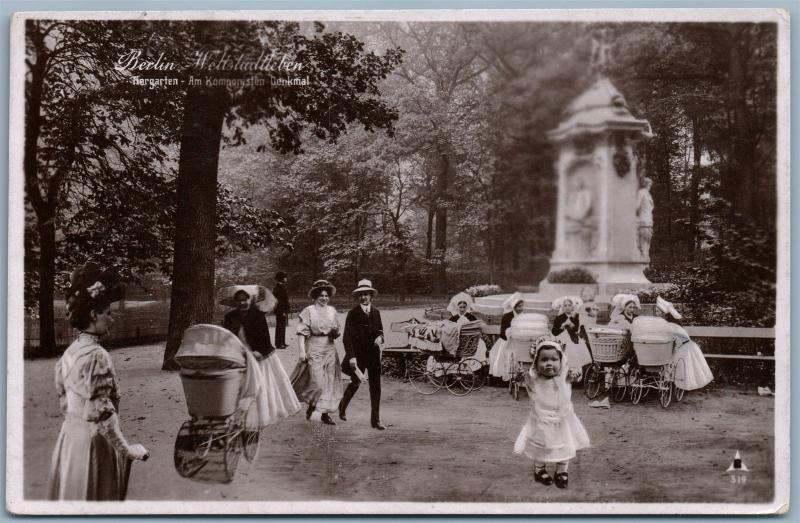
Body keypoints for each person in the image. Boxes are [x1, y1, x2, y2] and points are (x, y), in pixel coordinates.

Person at [48, 262, 148, 500]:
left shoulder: (70, 352)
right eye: (108, 313)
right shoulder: (97, 355)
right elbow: (102, 412)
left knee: (75, 497)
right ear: (94, 315)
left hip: (71, 440)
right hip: (95, 443)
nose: (111, 319)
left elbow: (64, 402)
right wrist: (126, 450)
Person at [514, 335, 590, 489]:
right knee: (541, 446)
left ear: (561, 361)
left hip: (562, 419)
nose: (549, 364)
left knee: (565, 445)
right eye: (544, 360)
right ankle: (539, 469)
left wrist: (575, 373)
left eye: (554, 359)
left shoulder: (564, 376)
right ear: (536, 362)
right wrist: (521, 375)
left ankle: (562, 471)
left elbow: (575, 375)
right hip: (541, 419)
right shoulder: (535, 378)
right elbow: (524, 379)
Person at [220, 285, 301, 425]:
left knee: (258, 386)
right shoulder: (230, 316)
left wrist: (259, 352)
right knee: (234, 384)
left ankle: (257, 417)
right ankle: (236, 415)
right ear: (235, 301)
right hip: (238, 355)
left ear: (251, 300)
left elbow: (264, 338)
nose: (242, 303)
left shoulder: (258, 314)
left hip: (256, 354)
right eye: (238, 300)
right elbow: (226, 336)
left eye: (245, 299)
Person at [292, 280, 344, 425]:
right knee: (318, 383)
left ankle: (324, 413)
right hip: (314, 347)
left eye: (326, 295)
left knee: (329, 383)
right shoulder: (309, 310)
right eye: (321, 295)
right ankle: (312, 404)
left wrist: (335, 332)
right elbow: (302, 333)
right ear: (315, 296)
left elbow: (336, 332)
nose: (324, 298)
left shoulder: (332, 311)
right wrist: (302, 352)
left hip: (329, 348)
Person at [339, 279, 386, 430]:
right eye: (360, 295)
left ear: (371, 296)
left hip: (373, 356)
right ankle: (342, 406)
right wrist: (351, 356)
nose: (363, 297)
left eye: (366, 294)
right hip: (358, 356)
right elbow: (347, 337)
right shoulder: (352, 314)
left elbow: (380, 331)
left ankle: (375, 420)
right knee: (355, 383)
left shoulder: (376, 312)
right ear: (357, 297)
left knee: (376, 387)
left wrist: (380, 337)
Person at [655, 297, 714, 391]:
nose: (656, 314)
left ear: (664, 314)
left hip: (683, 347)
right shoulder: (666, 324)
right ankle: (671, 383)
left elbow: (672, 340)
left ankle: (676, 384)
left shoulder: (670, 325)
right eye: (656, 311)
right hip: (678, 346)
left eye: (658, 312)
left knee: (679, 364)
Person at [488, 292, 524, 381]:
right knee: (506, 354)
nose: (521, 308)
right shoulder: (507, 316)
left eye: (522, 306)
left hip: (519, 340)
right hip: (507, 340)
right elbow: (503, 332)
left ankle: (519, 375)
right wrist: (511, 333)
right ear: (514, 306)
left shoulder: (523, 316)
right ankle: (507, 376)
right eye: (519, 306)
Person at [551, 296, 592, 370]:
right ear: (562, 307)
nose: (567, 307)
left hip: (574, 338)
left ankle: (577, 370)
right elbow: (554, 332)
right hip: (562, 339)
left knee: (577, 349)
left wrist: (571, 322)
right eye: (565, 305)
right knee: (566, 349)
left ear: (573, 306)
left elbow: (578, 329)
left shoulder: (576, 316)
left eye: (569, 305)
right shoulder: (559, 318)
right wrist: (562, 326)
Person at [637, 177, 654, 258]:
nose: (649, 186)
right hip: (642, 222)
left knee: (646, 247)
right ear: (644, 184)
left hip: (648, 223)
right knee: (643, 247)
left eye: (650, 185)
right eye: (648, 184)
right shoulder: (641, 193)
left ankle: (646, 267)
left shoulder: (648, 194)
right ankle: (643, 268)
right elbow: (636, 206)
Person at [273, 272, 290, 349]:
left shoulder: (281, 287)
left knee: (282, 326)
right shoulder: (278, 289)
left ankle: (282, 342)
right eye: (285, 277)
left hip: (282, 310)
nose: (286, 279)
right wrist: (282, 311)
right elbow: (279, 302)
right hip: (280, 310)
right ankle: (279, 344)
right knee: (280, 326)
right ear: (281, 278)